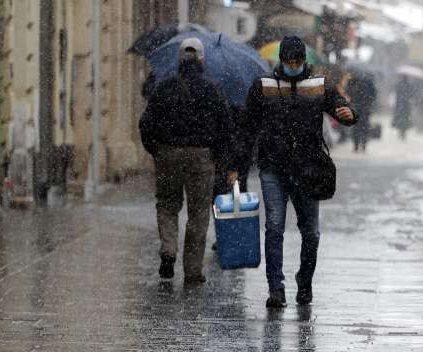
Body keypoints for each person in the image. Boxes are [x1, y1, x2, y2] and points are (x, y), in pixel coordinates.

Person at [227, 35, 357, 308]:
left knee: (311, 232)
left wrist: (349, 115)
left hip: (308, 169)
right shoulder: (263, 86)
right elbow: (247, 129)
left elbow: (339, 107)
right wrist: (236, 167)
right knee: (274, 227)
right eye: (289, 61)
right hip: (273, 167)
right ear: (281, 61)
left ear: (304, 62)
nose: (293, 65)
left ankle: (304, 282)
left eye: (297, 61)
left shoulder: (319, 85)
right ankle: (276, 288)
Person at [139, 37, 234, 284]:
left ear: (179, 59)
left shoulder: (164, 87)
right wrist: (217, 154)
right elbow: (226, 126)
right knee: (199, 213)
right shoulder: (211, 89)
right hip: (201, 156)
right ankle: (192, 270)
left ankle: (169, 248)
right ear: (201, 60)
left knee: (168, 205)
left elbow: (146, 123)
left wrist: (156, 150)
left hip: (168, 154)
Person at [345, 71, 378, 152]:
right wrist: (370, 102)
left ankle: (357, 145)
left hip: (357, 107)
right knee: (364, 126)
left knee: (357, 126)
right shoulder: (368, 82)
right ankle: (363, 144)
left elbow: (348, 92)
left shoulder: (353, 81)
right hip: (364, 107)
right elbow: (374, 94)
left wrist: (352, 100)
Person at [391, 74, 413, 141]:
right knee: (406, 118)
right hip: (406, 105)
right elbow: (412, 94)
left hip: (399, 104)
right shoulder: (409, 85)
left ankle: (400, 131)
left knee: (399, 118)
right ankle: (404, 132)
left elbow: (395, 93)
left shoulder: (398, 84)